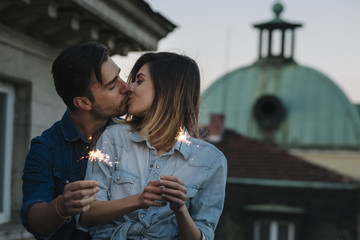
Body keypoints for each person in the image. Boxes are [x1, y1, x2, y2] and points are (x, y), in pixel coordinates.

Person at [80, 52, 227, 240]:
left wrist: (180, 209)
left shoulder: (211, 160)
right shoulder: (114, 138)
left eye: (139, 81)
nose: (129, 88)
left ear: (166, 89)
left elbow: (204, 234)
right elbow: (86, 215)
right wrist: (139, 200)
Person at [20, 42, 130, 240]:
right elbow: (33, 219)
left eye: (120, 76)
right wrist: (61, 207)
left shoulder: (132, 136)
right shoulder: (45, 148)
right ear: (83, 102)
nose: (126, 87)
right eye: (113, 85)